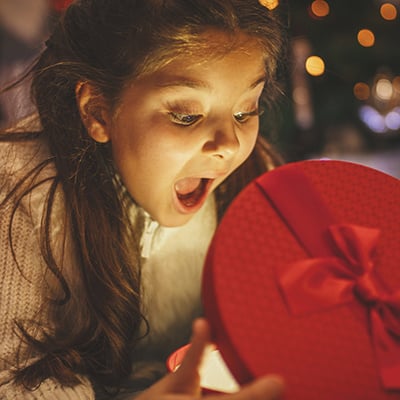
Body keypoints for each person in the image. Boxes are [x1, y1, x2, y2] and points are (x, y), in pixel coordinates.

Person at [0, 0, 287, 398]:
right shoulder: (18, 197)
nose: (230, 144)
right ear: (98, 112)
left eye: (244, 111)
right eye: (186, 115)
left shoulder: (258, 177)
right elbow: (14, 378)